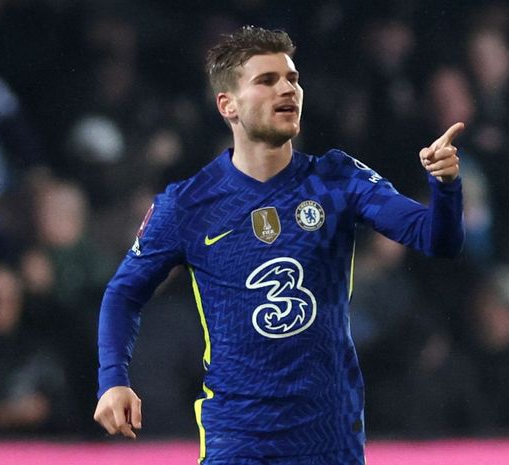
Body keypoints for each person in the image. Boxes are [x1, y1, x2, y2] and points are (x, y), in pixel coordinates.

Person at [93, 26, 464, 465]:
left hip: (329, 434)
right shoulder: (188, 204)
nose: (287, 88)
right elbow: (124, 292)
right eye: (266, 80)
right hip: (239, 438)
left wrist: (445, 187)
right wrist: (113, 379)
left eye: (292, 78)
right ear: (227, 105)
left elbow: (435, 239)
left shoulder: (336, 179)